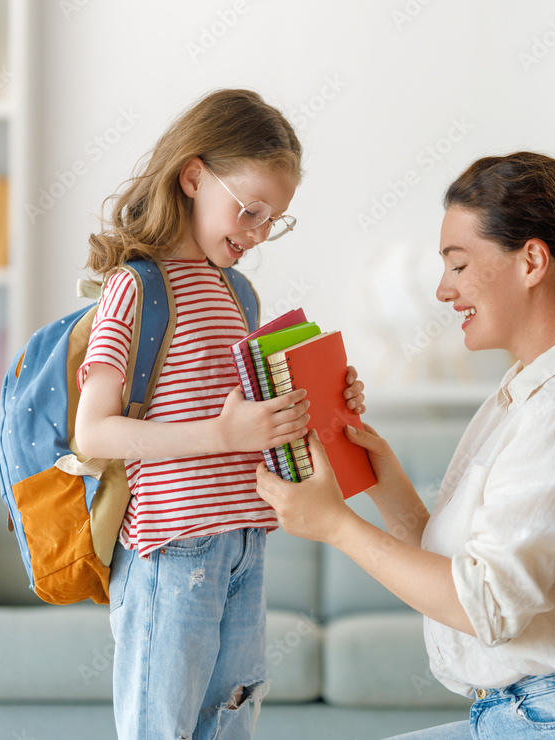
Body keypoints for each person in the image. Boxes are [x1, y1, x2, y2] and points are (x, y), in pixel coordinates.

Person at [256, 151, 555, 739]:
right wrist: (384, 480)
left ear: (531, 261)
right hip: (533, 712)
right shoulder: (534, 388)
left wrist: (336, 526)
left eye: (459, 265)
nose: (444, 291)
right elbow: (467, 575)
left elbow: (484, 607)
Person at [73, 88, 365, 740]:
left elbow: (252, 421)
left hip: (245, 547)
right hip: (170, 552)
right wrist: (220, 434)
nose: (258, 233)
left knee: (230, 722)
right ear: (194, 175)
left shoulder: (240, 293)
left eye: (274, 220)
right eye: (251, 210)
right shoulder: (137, 286)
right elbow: (93, 431)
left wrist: (327, 405)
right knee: (161, 727)